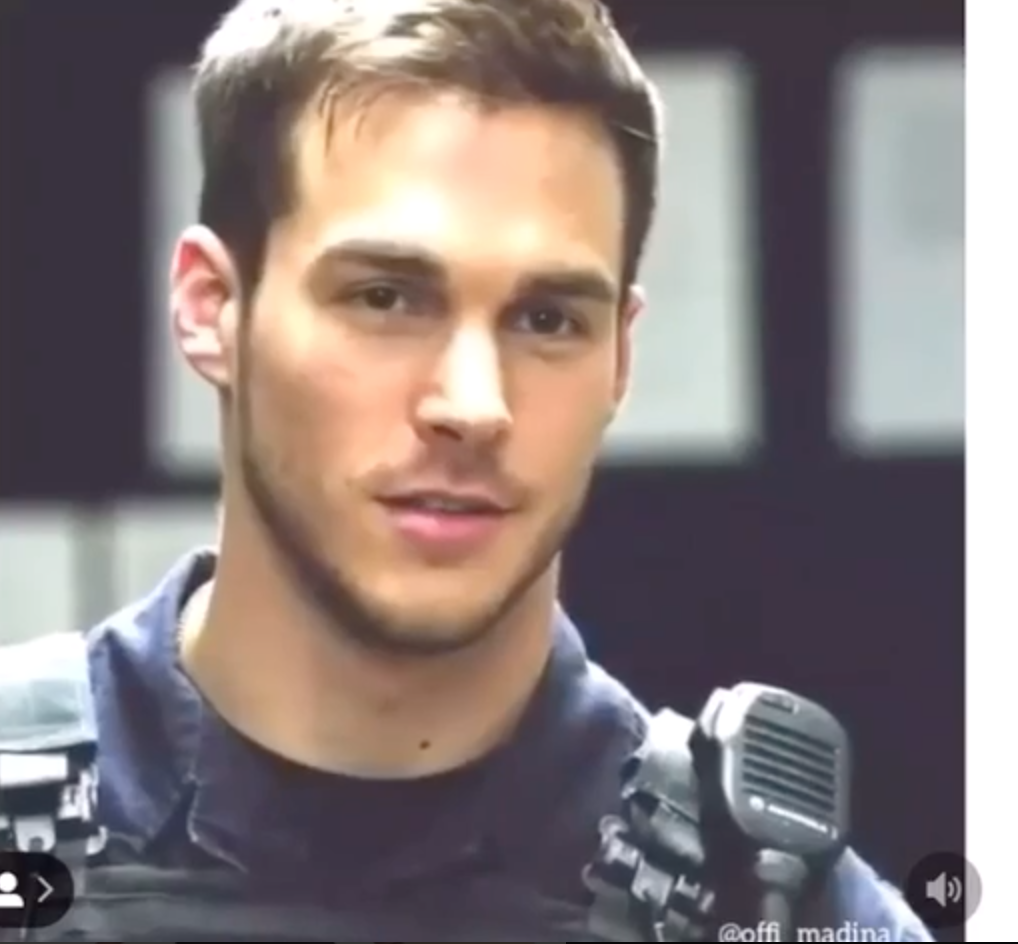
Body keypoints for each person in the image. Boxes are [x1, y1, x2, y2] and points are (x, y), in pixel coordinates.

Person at [4, 0, 929, 938]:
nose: (475, 405)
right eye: (386, 298)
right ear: (212, 309)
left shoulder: (773, 907)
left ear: (620, 356)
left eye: (547, 319)